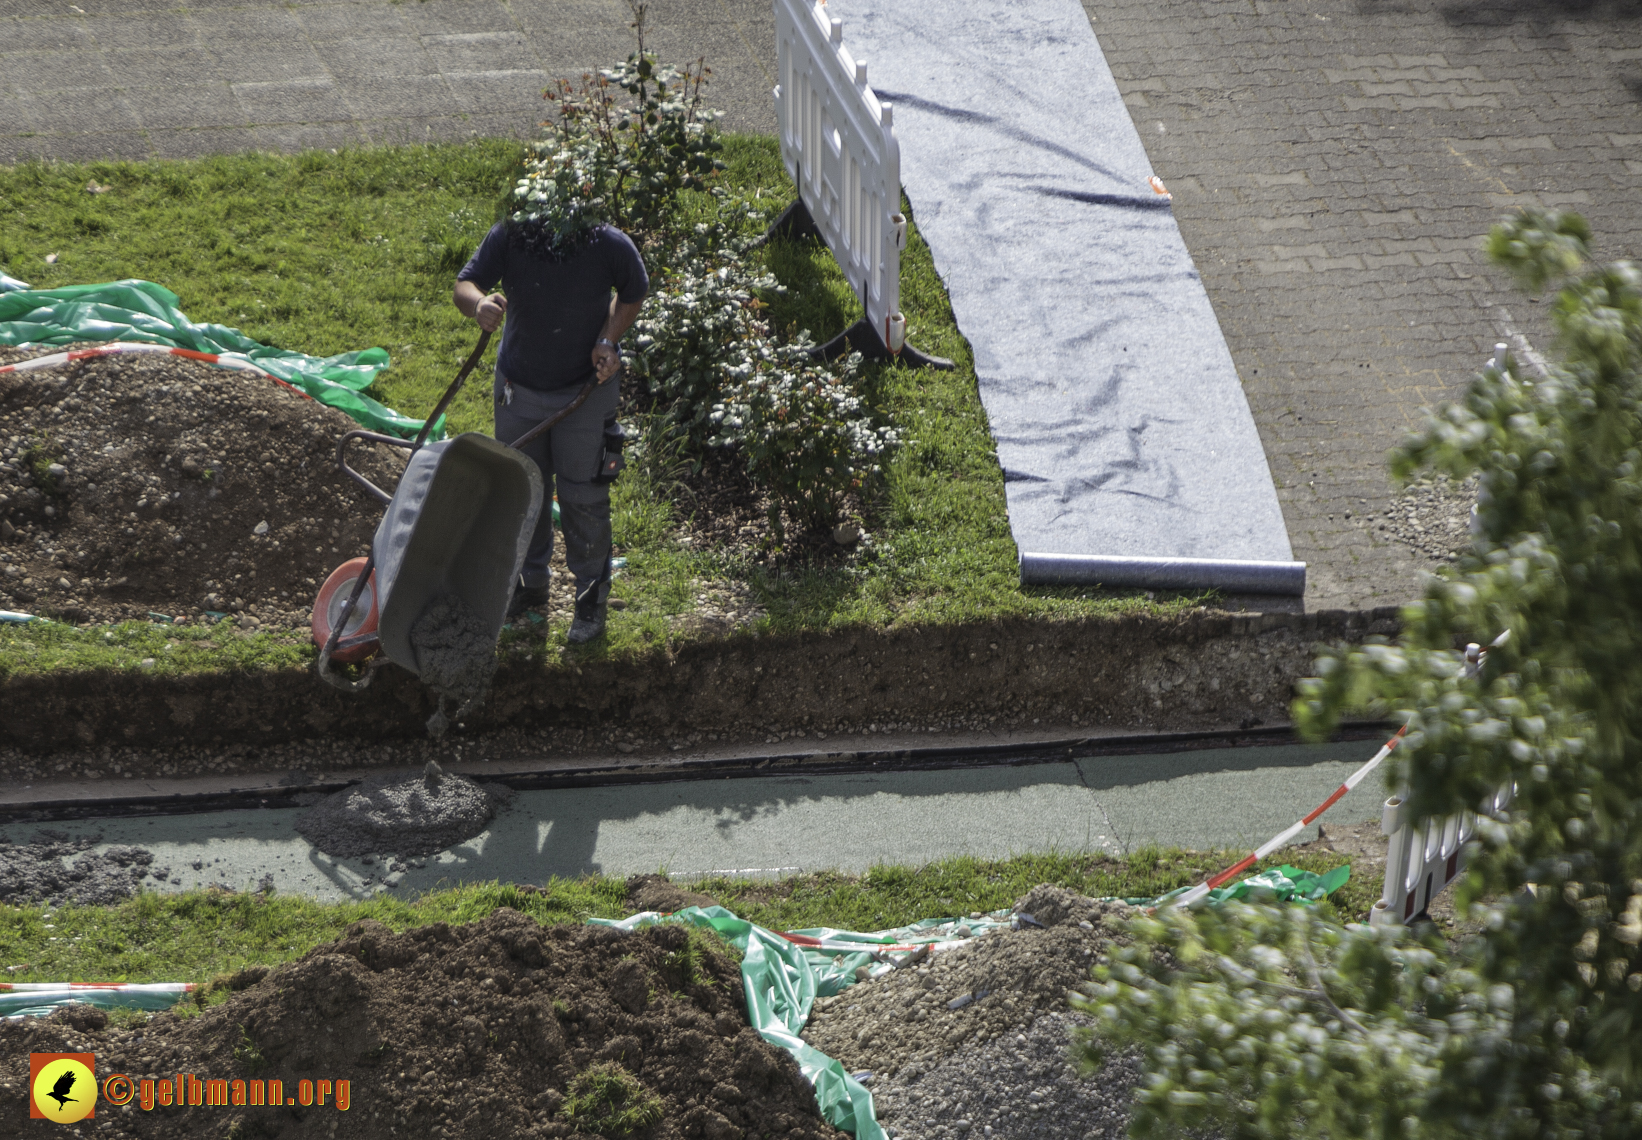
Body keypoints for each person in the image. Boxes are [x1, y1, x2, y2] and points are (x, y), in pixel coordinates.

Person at [453, 219, 647, 644]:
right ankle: (529, 584)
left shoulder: (606, 242)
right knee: (523, 488)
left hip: (585, 389)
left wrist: (609, 339)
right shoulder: (513, 235)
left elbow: (634, 290)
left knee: (583, 496)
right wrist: (479, 304)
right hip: (518, 389)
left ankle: (591, 601)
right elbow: (465, 284)